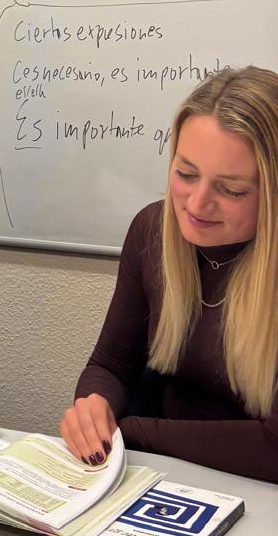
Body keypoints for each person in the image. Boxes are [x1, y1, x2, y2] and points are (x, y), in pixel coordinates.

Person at [61, 66, 278, 484]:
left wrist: (133, 431)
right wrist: (94, 407)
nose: (196, 204)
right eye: (186, 174)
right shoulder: (152, 231)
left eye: (231, 190)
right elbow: (111, 364)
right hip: (168, 474)